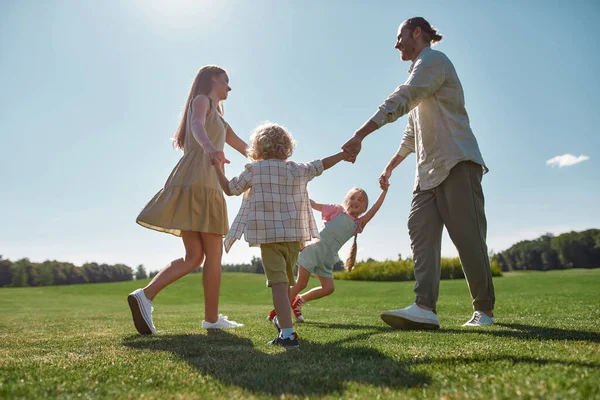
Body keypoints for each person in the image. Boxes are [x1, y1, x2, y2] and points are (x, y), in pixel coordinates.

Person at [342, 17, 496, 329]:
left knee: (468, 239)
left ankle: (485, 310)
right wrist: (389, 166)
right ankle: (425, 307)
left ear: (417, 33)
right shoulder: (419, 72)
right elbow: (411, 135)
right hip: (426, 176)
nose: (396, 44)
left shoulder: (432, 61)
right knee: (420, 229)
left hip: (456, 162)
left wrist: (360, 133)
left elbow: (403, 97)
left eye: (400, 37)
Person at [129, 65, 246, 335]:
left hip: (193, 181)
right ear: (213, 79)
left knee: (194, 256)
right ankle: (212, 318)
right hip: (204, 181)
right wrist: (210, 148)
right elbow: (195, 124)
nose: (229, 87)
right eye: (226, 81)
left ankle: (144, 296)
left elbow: (245, 147)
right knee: (213, 254)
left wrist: (275, 161)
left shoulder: (220, 119)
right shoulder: (202, 100)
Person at [214, 122, 349, 348]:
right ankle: (283, 320)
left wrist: (217, 167)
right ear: (287, 148)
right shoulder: (296, 169)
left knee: (278, 285)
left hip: (269, 238)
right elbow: (321, 165)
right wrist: (343, 155)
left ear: (257, 148)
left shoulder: (253, 170)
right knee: (285, 284)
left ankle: (287, 333)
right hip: (294, 238)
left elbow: (230, 189)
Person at [267, 186, 389, 323]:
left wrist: (384, 191)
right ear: (346, 200)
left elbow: (375, 209)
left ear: (364, 207)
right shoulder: (337, 210)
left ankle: (298, 301)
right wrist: (300, 193)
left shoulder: (358, 224)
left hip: (327, 257)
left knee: (328, 288)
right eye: (352, 197)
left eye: (360, 200)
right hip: (314, 250)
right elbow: (314, 205)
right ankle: (277, 310)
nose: (355, 201)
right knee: (301, 283)